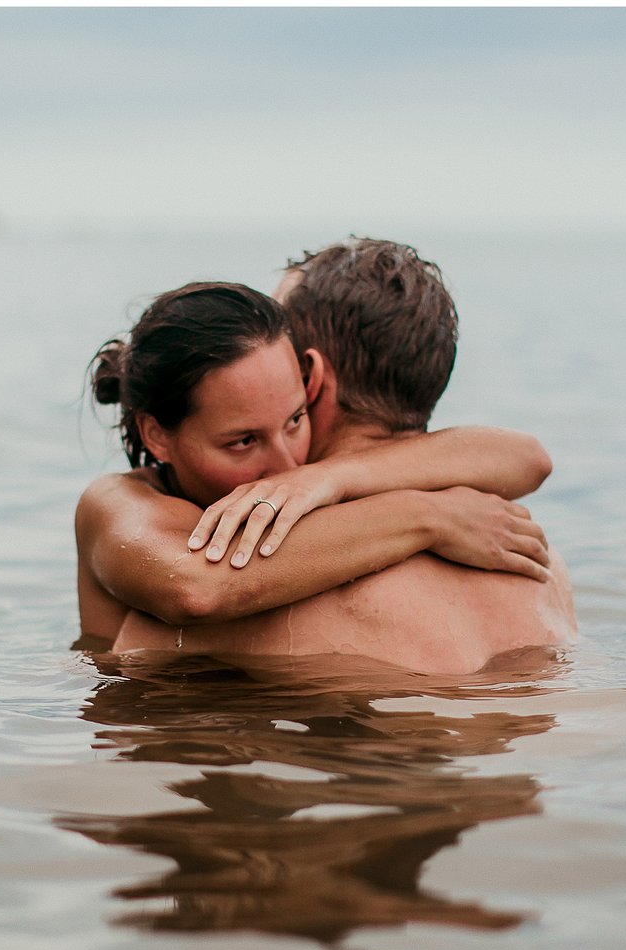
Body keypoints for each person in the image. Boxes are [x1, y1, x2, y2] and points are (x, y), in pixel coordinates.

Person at [108, 240, 575, 674]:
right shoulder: (523, 543)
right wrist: (428, 515)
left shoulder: (262, 584)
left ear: (307, 376)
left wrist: (331, 479)